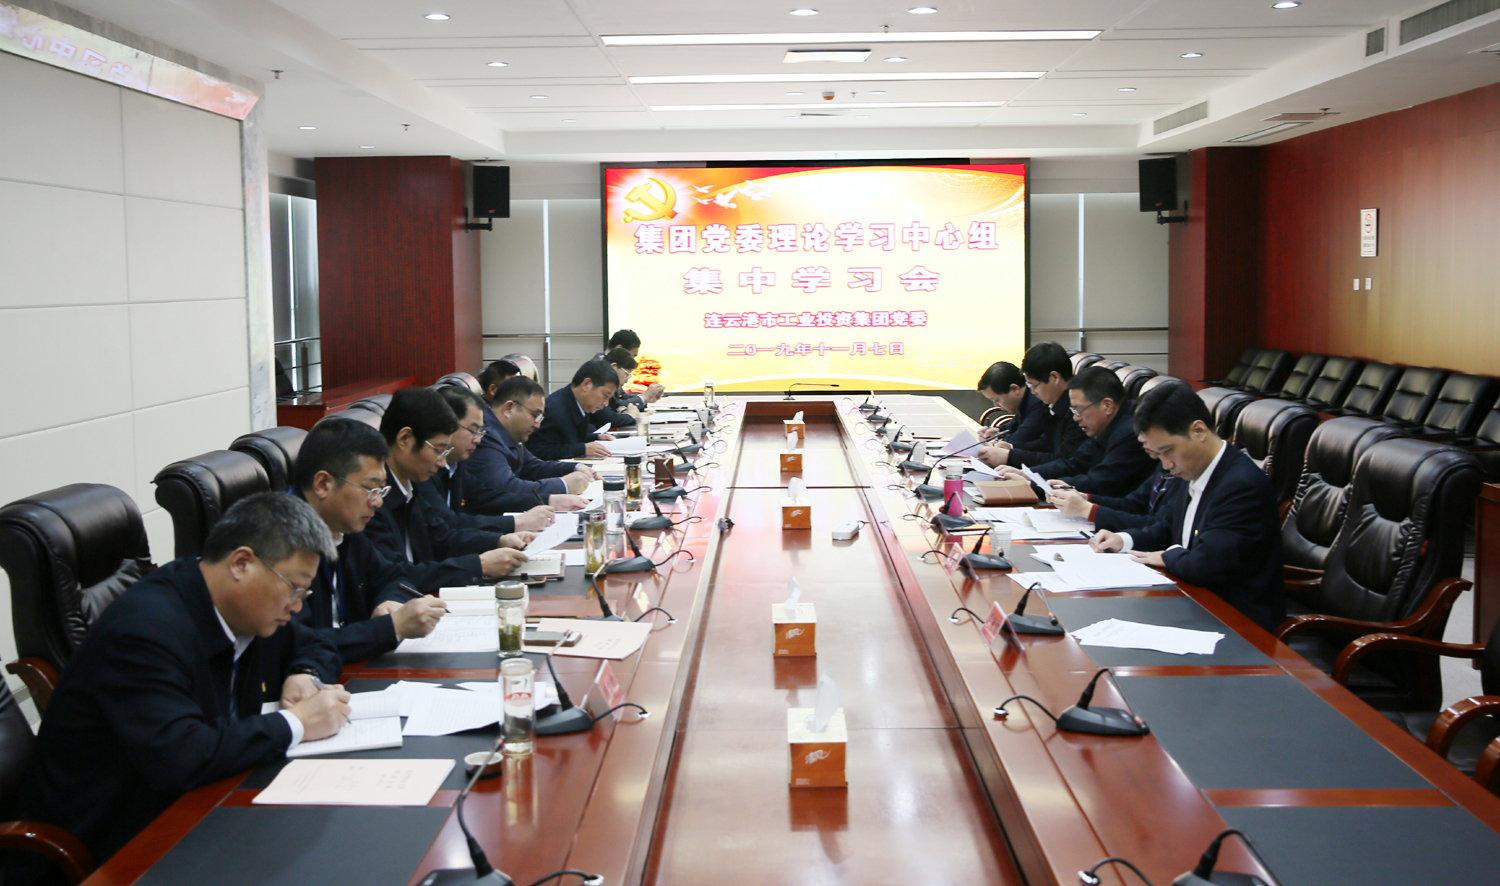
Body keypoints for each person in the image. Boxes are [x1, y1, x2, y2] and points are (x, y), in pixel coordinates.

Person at [9, 494, 351, 885]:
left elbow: (316, 643)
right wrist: (296, 724)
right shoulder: (145, 630)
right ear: (241, 563)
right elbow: (181, 756)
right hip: (111, 846)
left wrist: (303, 673)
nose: (297, 606)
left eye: (304, 593)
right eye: (294, 588)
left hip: (199, 809)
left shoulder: (239, 605)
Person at [1089, 381, 1285, 632]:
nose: (1166, 465)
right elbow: (1166, 528)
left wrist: (1166, 556)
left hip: (1236, 621)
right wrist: (1123, 539)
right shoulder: (1193, 469)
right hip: (1193, 600)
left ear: (1199, 430)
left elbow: (1204, 565)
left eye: (1168, 451)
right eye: (1158, 455)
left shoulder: (1240, 485)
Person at [292, 419, 447, 662]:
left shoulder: (346, 528)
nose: (378, 502)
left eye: (381, 490)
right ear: (323, 484)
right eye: (370, 489)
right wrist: (391, 628)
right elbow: (298, 644)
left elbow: (393, 576)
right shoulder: (281, 543)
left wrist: (389, 601)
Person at [364, 387, 532, 593]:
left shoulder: (410, 484)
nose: (442, 463)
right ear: (405, 439)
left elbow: (441, 536)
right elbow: (395, 575)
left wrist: (498, 540)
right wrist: (478, 565)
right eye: (439, 450)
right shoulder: (372, 500)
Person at [995, 366, 1155, 498]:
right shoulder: (1105, 425)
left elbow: (1098, 483)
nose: (1075, 418)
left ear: (1107, 406)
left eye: (1079, 410)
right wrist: (1026, 474)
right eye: (1072, 410)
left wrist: (1031, 485)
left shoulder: (1131, 432)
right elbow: (1073, 464)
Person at [427, 386, 555, 533]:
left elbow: (486, 497)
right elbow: (448, 524)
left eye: (480, 432)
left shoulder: (455, 463)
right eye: (473, 431)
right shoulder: (425, 469)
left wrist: (551, 500)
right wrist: (516, 523)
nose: (478, 440)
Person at [462, 375, 594, 516]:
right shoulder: (485, 435)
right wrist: (562, 485)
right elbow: (505, 489)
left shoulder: (508, 432)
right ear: (508, 408)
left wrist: (575, 467)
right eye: (535, 415)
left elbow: (533, 466)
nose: (537, 425)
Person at [977, 342, 1085, 468]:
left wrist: (1010, 457)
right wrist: (1010, 447)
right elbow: (1045, 444)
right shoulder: (1053, 403)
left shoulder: (1077, 410)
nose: (1033, 392)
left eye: (1033, 386)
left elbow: (1064, 461)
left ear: (1054, 378)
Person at [529, 359, 619, 461]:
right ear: (586, 384)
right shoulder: (555, 410)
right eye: (605, 395)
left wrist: (596, 437)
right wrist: (582, 449)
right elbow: (540, 451)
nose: (606, 403)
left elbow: (568, 439)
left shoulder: (578, 403)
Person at [1050, 469, 1180, 532]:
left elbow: (1159, 526)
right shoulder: (1165, 466)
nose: (1141, 438)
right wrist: (1086, 498)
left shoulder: (1182, 473)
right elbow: (1132, 505)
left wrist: (1088, 510)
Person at [975, 361, 1046, 448]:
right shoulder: (1025, 399)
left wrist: (995, 442)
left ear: (1014, 389)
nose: (996, 405)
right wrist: (997, 431)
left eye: (996, 400)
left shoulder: (1038, 403)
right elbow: (1013, 425)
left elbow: (1020, 438)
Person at [606, 329, 664, 402]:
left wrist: (647, 396)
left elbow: (621, 396)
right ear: (619, 349)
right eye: (631, 356)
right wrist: (644, 397)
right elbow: (615, 404)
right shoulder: (600, 369)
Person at [594, 347, 643, 427]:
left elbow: (615, 404)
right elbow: (608, 418)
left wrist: (623, 411)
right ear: (614, 367)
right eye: (627, 373)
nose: (626, 380)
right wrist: (630, 416)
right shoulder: (597, 384)